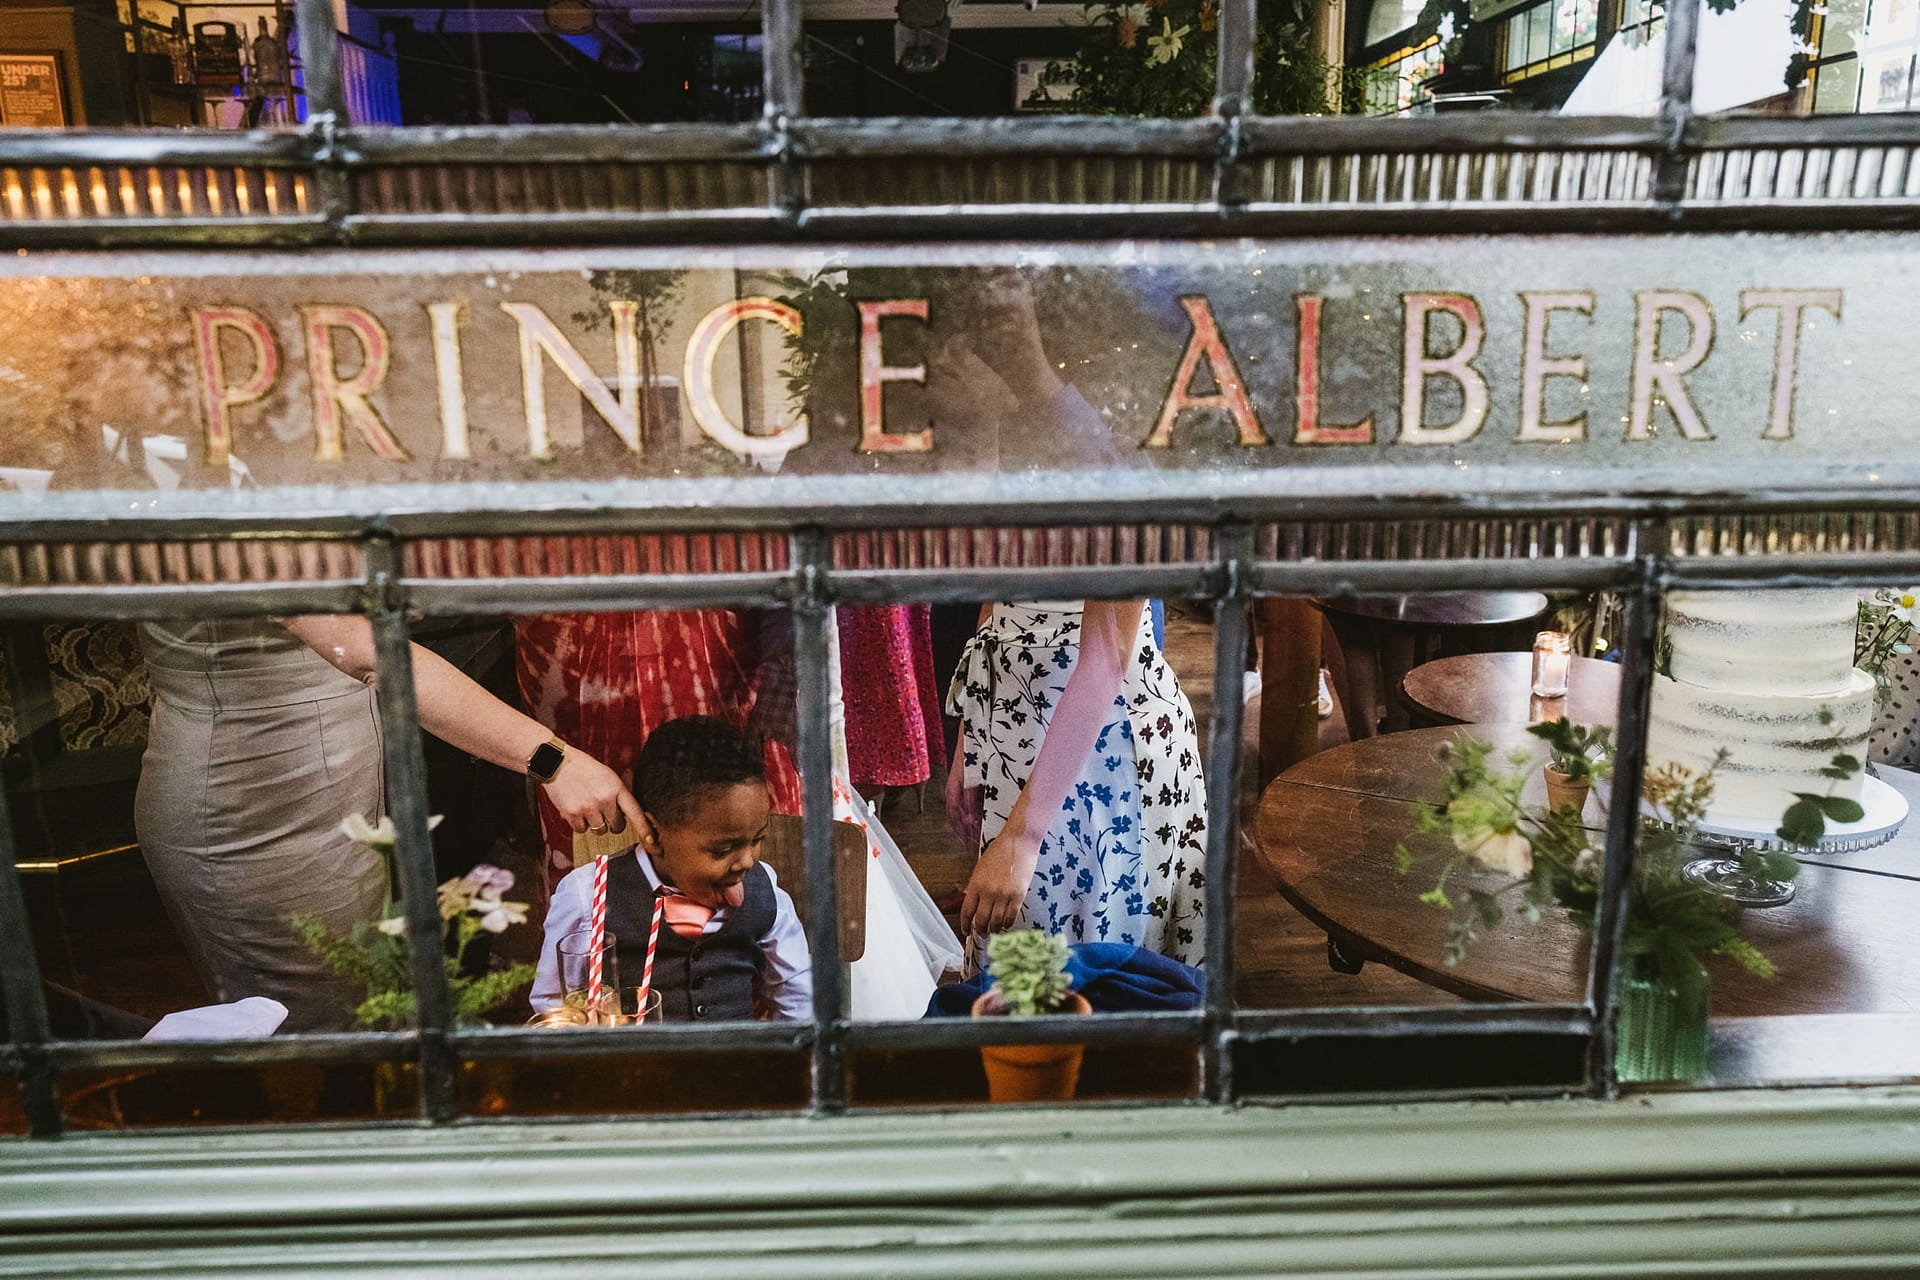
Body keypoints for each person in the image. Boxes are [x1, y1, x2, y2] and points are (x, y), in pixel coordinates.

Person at [135, 615, 639, 1034]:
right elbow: (368, 650)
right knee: (317, 1037)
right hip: (254, 814)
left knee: (368, 1017)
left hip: (330, 800)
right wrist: (553, 761)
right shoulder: (230, 502)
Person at [947, 599, 1207, 967]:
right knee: (1026, 976)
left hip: (1104, 748)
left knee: (1099, 976)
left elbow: (1105, 657)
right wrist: (969, 743)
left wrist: (1023, 837)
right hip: (1012, 727)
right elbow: (992, 603)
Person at [531, 716, 812, 1021]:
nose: (746, 861)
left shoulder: (765, 889)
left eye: (757, 839)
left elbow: (799, 1001)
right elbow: (554, 1002)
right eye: (722, 850)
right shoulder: (588, 897)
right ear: (654, 834)